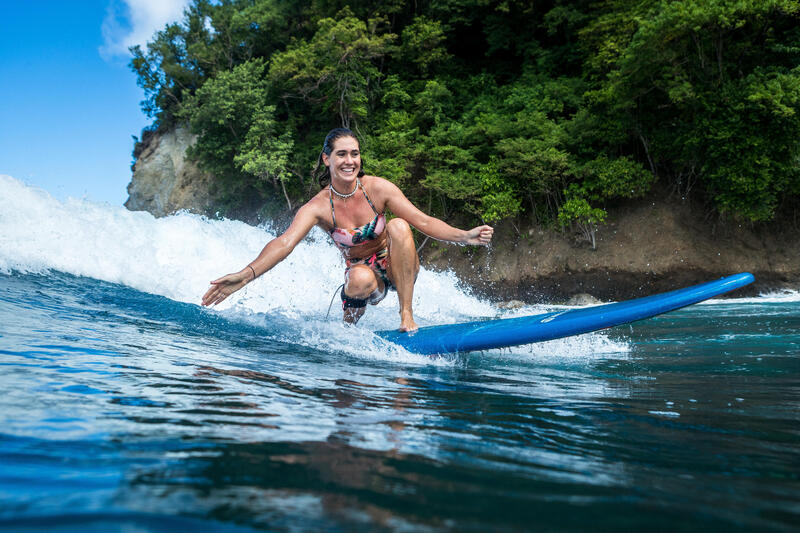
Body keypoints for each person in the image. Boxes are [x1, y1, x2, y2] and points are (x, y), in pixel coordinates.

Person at [201, 128, 493, 331]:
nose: (349, 161)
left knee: (399, 225)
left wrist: (465, 236)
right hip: (365, 279)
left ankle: (406, 316)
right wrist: (245, 275)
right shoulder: (318, 207)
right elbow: (284, 243)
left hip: (397, 265)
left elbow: (424, 222)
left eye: (354, 154)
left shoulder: (377, 188)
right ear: (327, 159)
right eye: (341, 154)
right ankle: (347, 332)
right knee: (356, 279)